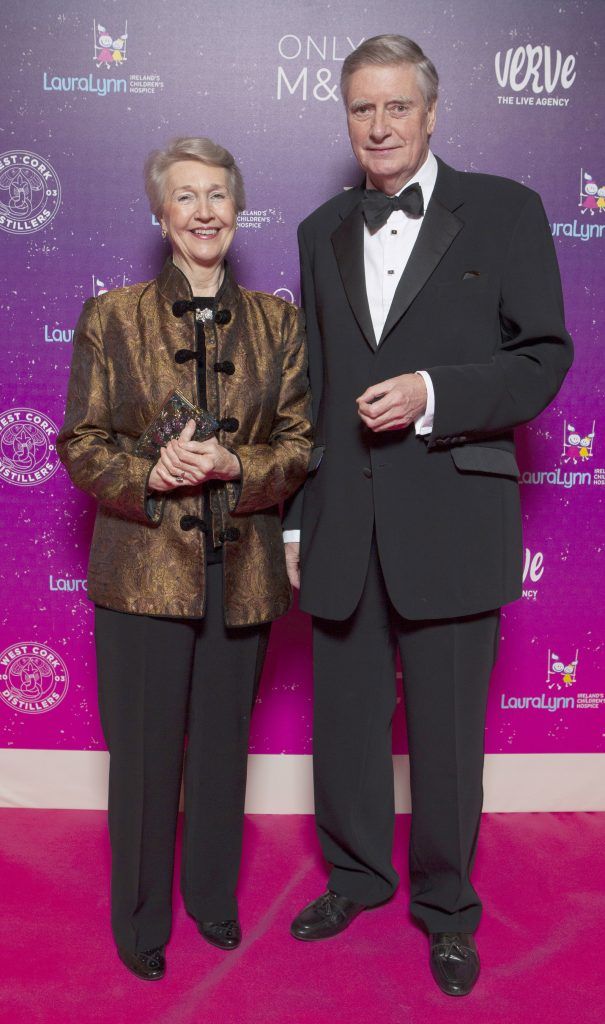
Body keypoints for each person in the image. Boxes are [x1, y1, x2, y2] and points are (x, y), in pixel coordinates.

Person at [283, 35, 573, 997]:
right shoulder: (321, 224)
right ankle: (358, 877)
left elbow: (542, 358)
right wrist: (292, 521)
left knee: (448, 735)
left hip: (450, 515)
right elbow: (313, 389)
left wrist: (431, 393)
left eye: (395, 107)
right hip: (340, 523)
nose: (378, 126)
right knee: (348, 725)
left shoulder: (505, 210)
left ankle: (447, 910)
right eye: (361, 109)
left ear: (432, 111)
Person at [58, 137, 312, 980]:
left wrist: (239, 465)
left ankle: (211, 899)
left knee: (220, 750)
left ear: (236, 212)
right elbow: (82, 443)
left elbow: (301, 444)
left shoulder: (279, 324)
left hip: (238, 576)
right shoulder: (112, 316)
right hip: (141, 573)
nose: (203, 211)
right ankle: (139, 922)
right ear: (160, 215)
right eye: (185, 197)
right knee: (140, 755)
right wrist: (148, 472)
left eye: (216, 196)